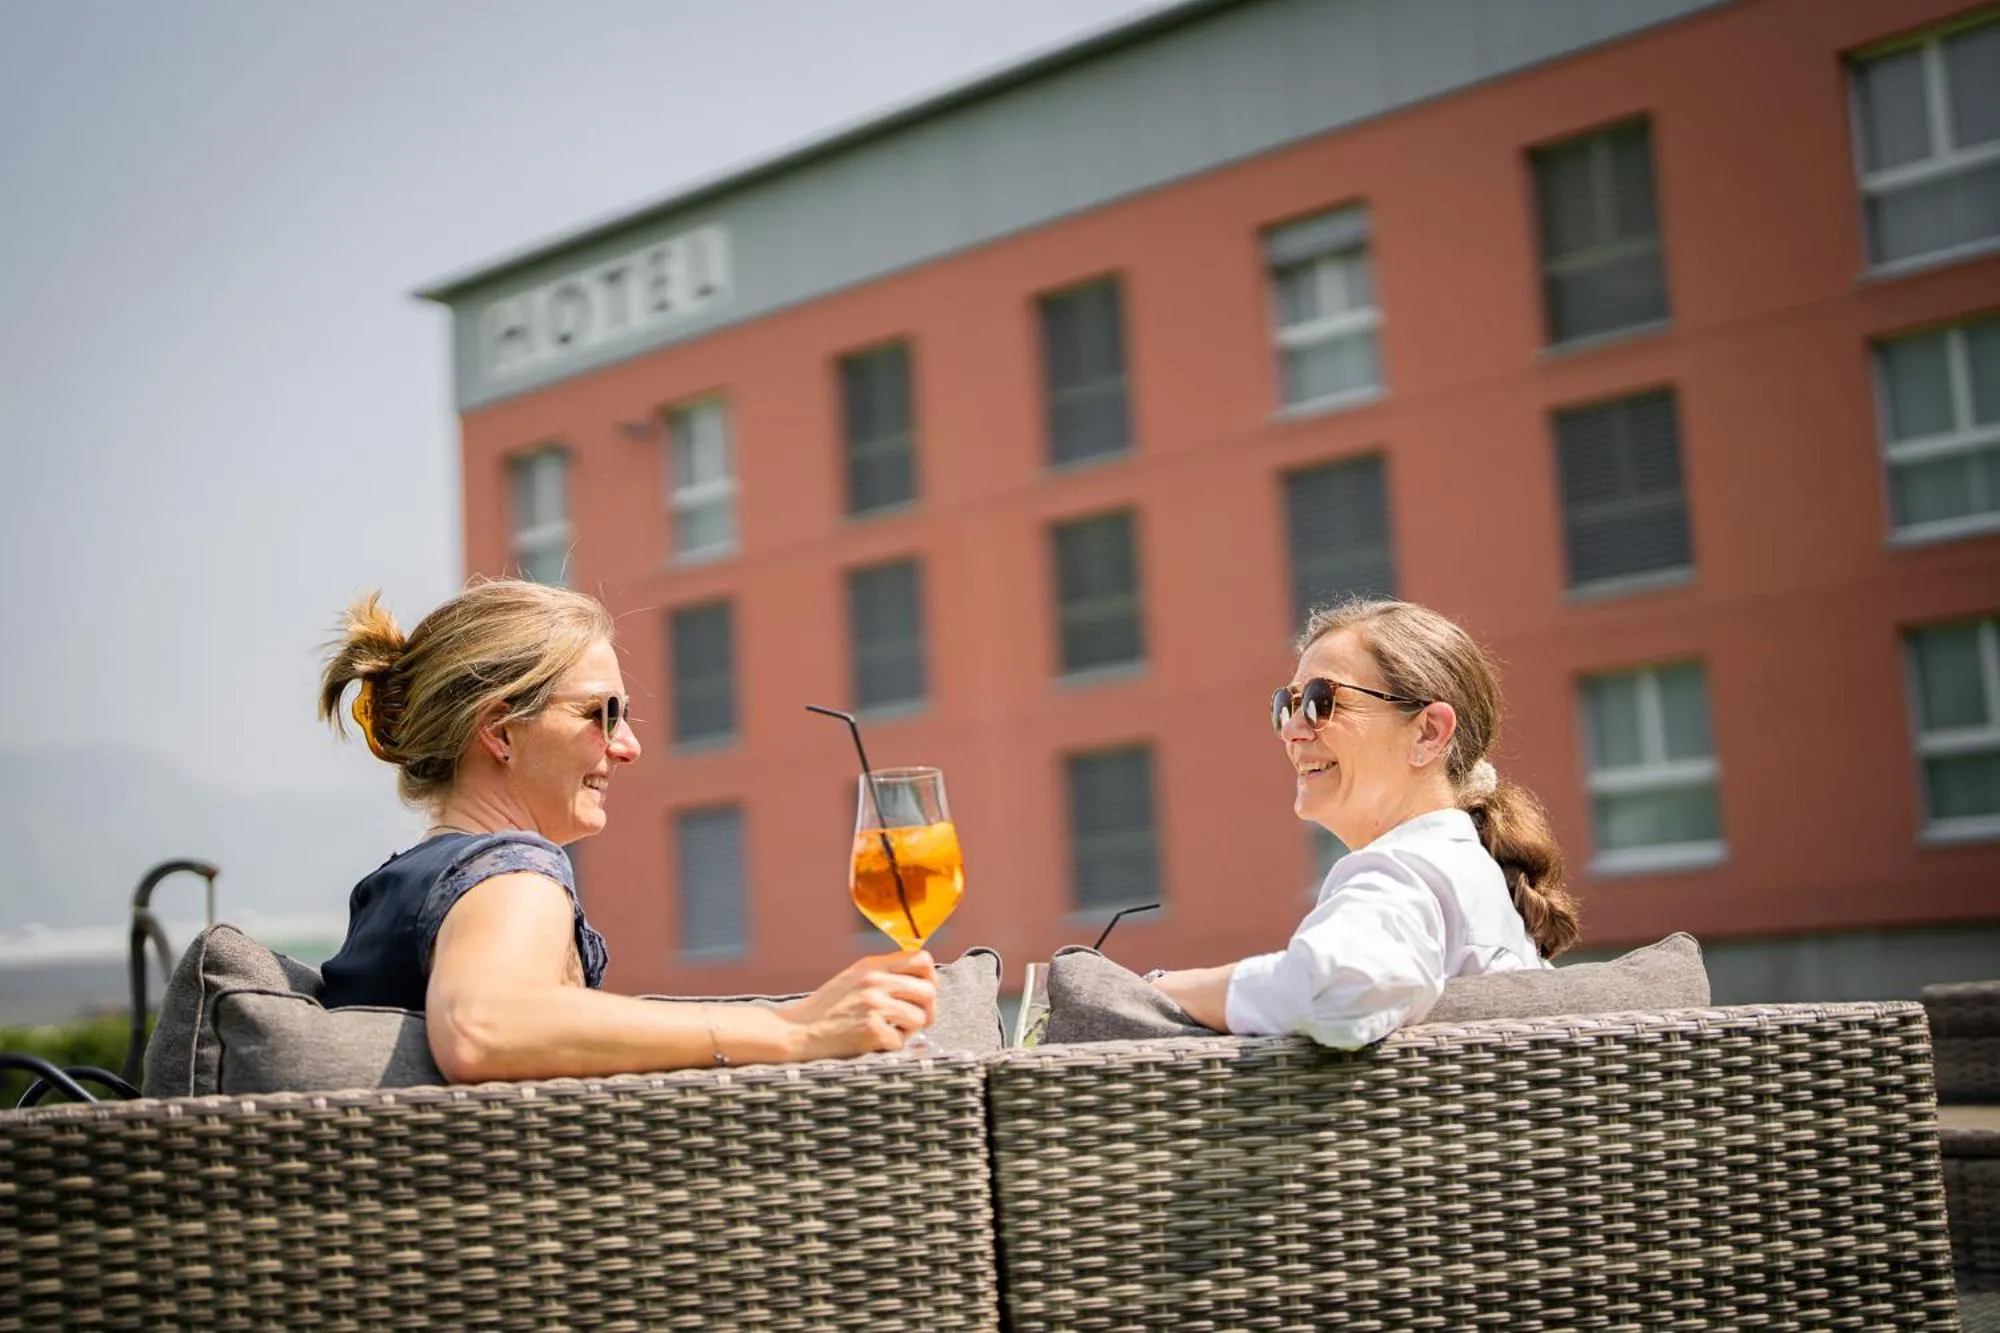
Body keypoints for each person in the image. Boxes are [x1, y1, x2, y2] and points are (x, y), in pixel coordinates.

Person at [315, 578, 936, 1082]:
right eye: (601, 714)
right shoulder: (510, 874)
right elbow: (484, 1028)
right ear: (501, 732)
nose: (630, 746)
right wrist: (794, 1030)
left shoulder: (404, 884)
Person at [1150, 598, 1579, 1048]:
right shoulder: (1464, 868)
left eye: (1322, 700)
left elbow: (1341, 988)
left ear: (1429, 732)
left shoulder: (1404, 871)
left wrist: (1154, 991)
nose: (1292, 730)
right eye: (1286, 704)